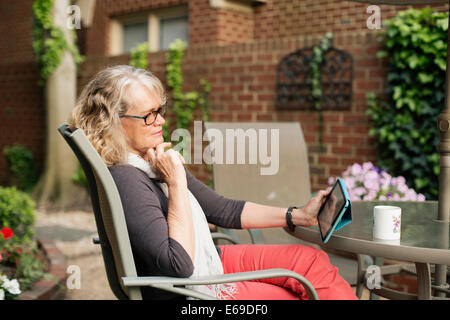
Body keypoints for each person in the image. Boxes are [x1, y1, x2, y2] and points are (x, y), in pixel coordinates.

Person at [68, 65, 358, 300]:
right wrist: (177, 183)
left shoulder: (152, 162)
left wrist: (297, 215)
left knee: (311, 263)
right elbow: (178, 266)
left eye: (160, 110)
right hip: (191, 294)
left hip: (209, 262)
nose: (160, 121)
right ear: (114, 122)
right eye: (148, 115)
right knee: (298, 293)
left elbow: (221, 209)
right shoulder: (128, 180)